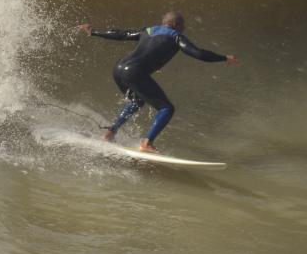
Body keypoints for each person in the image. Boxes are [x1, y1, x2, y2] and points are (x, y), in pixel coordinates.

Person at [79, 11, 239, 153]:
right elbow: (198, 53)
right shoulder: (176, 36)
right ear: (176, 25)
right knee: (166, 108)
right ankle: (147, 143)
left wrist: (94, 32)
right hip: (135, 73)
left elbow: (122, 34)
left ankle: (110, 133)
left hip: (119, 69)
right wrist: (224, 58)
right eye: (183, 26)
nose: (184, 28)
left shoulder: (148, 30)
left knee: (137, 101)